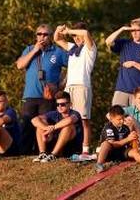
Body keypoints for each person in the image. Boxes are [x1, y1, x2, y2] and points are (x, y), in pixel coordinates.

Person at [17, 23, 69, 155]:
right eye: (39, 34)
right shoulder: (29, 49)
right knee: (26, 124)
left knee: (45, 124)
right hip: (30, 95)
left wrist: (61, 85)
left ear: (51, 36)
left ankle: (45, 152)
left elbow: (73, 66)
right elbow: (19, 65)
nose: (42, 37)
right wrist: (35, 50)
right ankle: (25, 153)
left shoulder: (57, 52)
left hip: (48, 97)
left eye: (45, 34)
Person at [54, 21, 97, 158]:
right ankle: (64, 148)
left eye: (77, 35)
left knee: (84, 119)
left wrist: (70, 31)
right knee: (66, 118)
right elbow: (56, 38)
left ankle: (85, 150)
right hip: (69, 87)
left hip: (82, 86)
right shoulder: (72, 48)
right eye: (74, 36)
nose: (76, 38)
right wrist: (59, 29)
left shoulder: (90, 48)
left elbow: (85, 33)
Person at [94, 105, 140, 173]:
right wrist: (128, 139)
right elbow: (113, 144)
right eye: (119, 119)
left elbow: (130, 142)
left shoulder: (125, 127)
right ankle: (99, 164)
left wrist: (133, 138)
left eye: (122, 118)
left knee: (134, 151)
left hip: (121, 152)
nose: (122, 121)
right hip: (108, 153)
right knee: (106, 144)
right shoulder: (108, 128)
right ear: (112, 119)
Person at [105, 18, 140, 107]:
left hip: (139, 93)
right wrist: (122, 29)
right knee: (116, 118)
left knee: (137, 120)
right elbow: (108, 41)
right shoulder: (125, 44)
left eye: (137, 30)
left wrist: (134, 63)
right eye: (132, 30)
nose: (134, 33)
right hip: (122, 89)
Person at [31, 91, 83, 162]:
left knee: (68, 127)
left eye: (62, 104)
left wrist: (52, 128)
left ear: (70, 104)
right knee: (40, 125)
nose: (59, 106)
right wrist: (46, 128)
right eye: (57, 104)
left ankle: (53, 155)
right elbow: (34, 120)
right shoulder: (54, 114)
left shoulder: (75, 114)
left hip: (71, 149)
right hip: (53, 144)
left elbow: (70, 120)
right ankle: (42, 154)